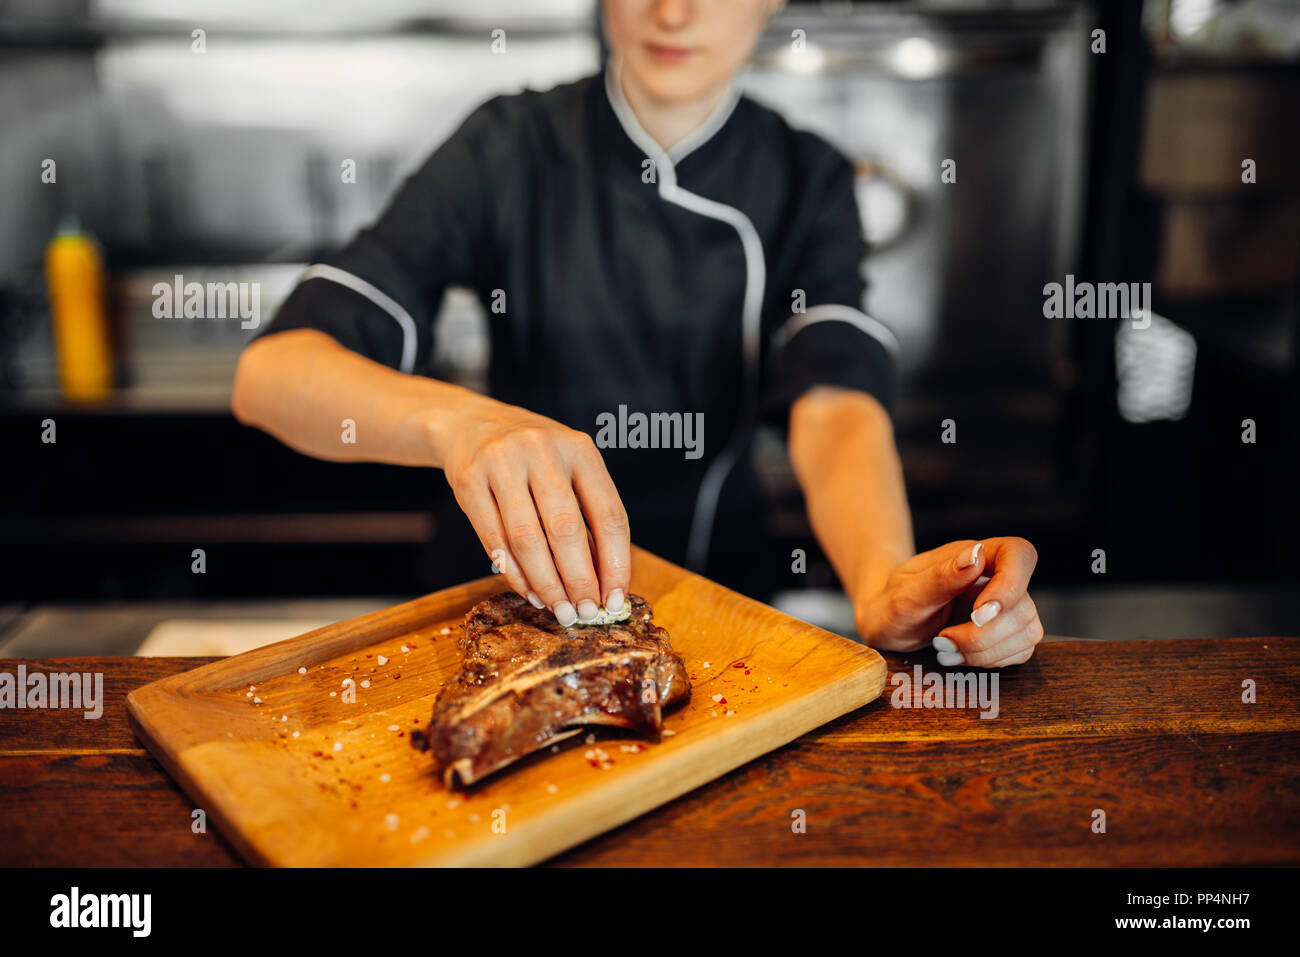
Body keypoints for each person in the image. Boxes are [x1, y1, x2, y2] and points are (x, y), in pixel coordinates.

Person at [232, 0, 1044, 668]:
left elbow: (833, 401)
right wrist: (464, 426)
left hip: (718, 606)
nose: (673, 11)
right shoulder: (506, 147)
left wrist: (880, 580)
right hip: (498, 604)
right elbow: (272, 373)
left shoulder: (807, 176)